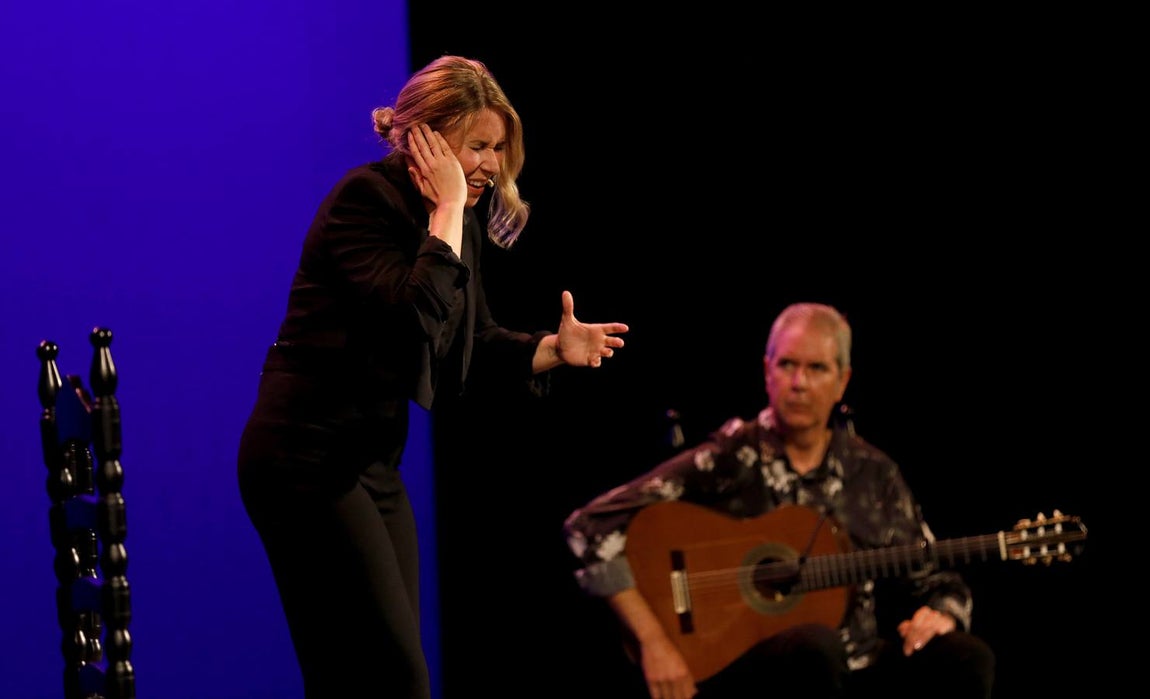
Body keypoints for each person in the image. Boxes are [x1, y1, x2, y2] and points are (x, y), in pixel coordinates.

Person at [237, 55, 629, 699]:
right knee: (393, 677)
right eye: (476, 147)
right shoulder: (365, 202)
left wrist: (555, 349)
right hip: (302, 458)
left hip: (368, 462)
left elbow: (465, 345)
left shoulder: (457, 219)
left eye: (498, 148)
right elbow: (410, 322)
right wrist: (448, 207)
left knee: (367, 676)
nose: (491, 165)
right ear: (426, 140)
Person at [562, 302, 994, 699]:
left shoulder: (872, 472)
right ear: (767, 371)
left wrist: (943, 614)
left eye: (817, 368)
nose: (799, 383)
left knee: (966, 657)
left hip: (862, 665)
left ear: (842, 380)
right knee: (814, 646)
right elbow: (589, 526)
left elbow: (935, 574)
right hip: (760, 669)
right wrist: (654, 642)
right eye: (787, 364)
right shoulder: (733, 456)